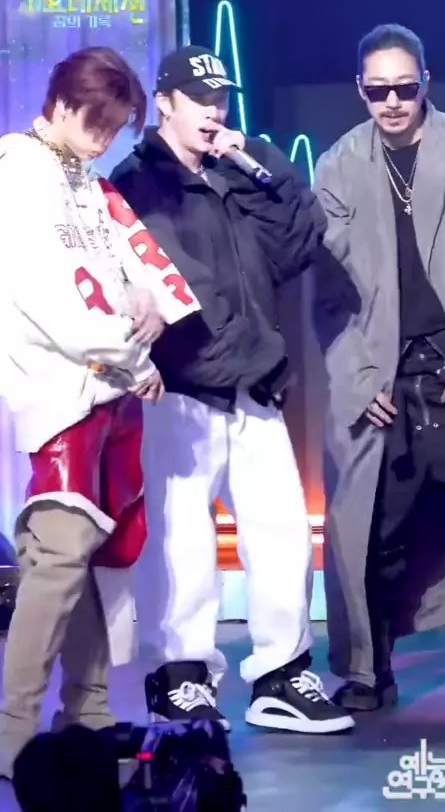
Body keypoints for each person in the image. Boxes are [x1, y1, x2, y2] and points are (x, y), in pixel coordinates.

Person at [109, 44, 354, 734]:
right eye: (200, 99)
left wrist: (261, 165)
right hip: (182, 388)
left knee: (281, 536)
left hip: (254, 382)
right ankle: (181, 679)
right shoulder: (136, 184)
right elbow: (163, 281)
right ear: (165, 103)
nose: (214, 112)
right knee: (182, 546)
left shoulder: (232, 175)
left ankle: (282, 674)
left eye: (220, 99)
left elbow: (298, 244)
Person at [0, 46, 200, 776]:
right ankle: (14, 732)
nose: (105, 140)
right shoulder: (17, 172)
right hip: (62, 389)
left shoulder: (80, 176)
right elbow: (45, 300)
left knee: (92, 565)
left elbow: (121, 268)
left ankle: (86, 718)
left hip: (108, 389)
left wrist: (141, 302)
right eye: (97, 124)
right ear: (59, 104)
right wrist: (131, 356)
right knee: (57, 562)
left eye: (115, 128)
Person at [313, 23, 445, 711]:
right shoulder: (339, 166)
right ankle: (366, 671)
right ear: (360, 89)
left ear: (425, 84)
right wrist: (358, 377)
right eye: (378, 90)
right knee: (371, 534)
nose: (391, 102)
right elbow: (327, 293)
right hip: (381, 377)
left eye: (404, 88)